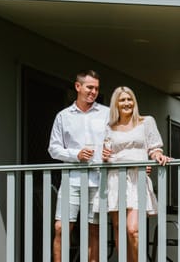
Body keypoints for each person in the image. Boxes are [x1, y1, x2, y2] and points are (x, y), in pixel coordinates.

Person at [93, 86, 170, 262]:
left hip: (137, 178)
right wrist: (104, 156)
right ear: (116, 104)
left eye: (129, 99)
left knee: (133, 229)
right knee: (119, 229)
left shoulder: (146, 121)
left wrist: (157, 156)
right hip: (115, 178)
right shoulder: (110, 127)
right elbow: (105, 154)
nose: (127, 103)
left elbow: (154, 147)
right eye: (122, 100)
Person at [48, 70, 110, 262]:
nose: (93, 92)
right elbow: (53, 148)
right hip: (72, 178)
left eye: (96, 89)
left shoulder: (107, 114)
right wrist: (76, 155)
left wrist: (110, 153)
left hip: (99, 179)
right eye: (90, 87)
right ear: (78, 87)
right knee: (61, 227)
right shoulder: (63, 116)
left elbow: (116, 142)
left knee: (95, 229)